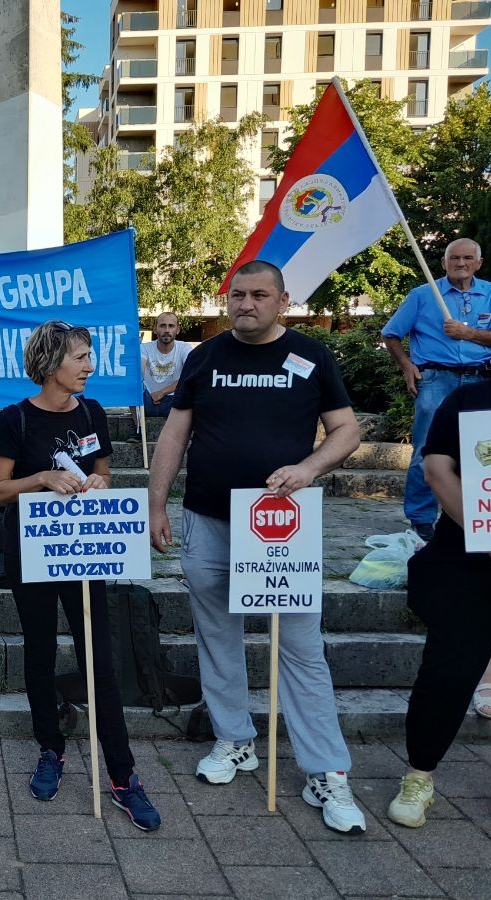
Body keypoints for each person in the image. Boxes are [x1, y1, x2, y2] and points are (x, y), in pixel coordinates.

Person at [148, 260, 365, 835]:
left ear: (282, 301)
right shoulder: (205, 357)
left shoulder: (312, 356)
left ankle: (327, 771)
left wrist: (310, 466)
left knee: (300, 645)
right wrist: (156, 502)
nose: (246, 304)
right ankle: (234, 741)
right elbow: (175, 432)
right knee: (217, 635)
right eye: (237, 295)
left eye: (258, 295)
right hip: (208, 519)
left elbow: (347, 430)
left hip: (281, 526)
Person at [0, 320, 161, 830]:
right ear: (50, 363)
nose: (89, 366)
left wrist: (100, 481)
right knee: (39, 651)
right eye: (80, 357)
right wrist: (42, 477)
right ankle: (50, 748)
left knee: (99, 659)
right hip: (33, 552)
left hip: (84, 550)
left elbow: (104, 469)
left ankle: (124, 775)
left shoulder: (92, 412)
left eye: (90, 356)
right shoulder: (15, 418)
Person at [387, 378, 491, 828]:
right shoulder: (471, 397)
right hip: (467, 560)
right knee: (448, 673)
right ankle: (420, 775)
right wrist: (486, 534)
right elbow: (437, 468)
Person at [382, 238, 491, 543]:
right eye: (454, 258)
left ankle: (475, 515)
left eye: (468, 258)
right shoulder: (422, 295)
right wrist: (407, 365)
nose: (461, 263)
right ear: (443, 263)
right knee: (427, 450)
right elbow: (390, 334)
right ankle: (420, 519)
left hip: (480, 380)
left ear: (478, 263)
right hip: (435, 380)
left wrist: (469, 333)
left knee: (483, 453)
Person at [140, 312, 191, 417]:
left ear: (177, 329)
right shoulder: (145, 348)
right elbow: (139, 372)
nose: (167, 330)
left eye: (171, 326)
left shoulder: (184, 348)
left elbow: (189, 376)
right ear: (155, 329)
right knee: (132, 387)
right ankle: (139, 429)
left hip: (175, 401)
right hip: (148, 400)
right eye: (162, 326)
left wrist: (162, 392)